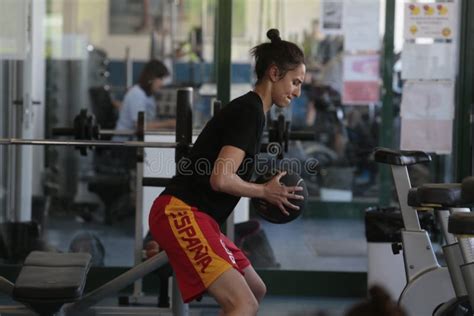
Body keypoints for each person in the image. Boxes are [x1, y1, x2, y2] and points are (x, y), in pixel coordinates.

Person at [148, 29, 306, 315]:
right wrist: (264, 191)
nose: (297, 91)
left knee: (256, 291)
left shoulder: (254, 111)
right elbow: (221, 179)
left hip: (203, 218)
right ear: (274, 73)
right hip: (180, 212)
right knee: (242, 303)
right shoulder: (250, 112)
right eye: (295, 82)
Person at [115, 59, 175, 134]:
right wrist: (168, 124)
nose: (162, 84)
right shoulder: (137, 94)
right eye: (160, 79)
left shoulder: (149, 95)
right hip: (125, 142)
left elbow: (149, 121)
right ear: (151, 78)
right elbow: (140, 126)